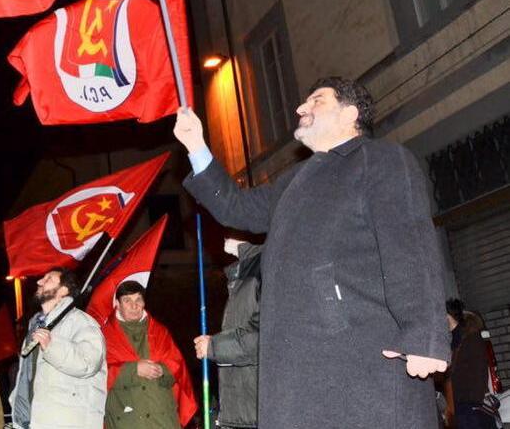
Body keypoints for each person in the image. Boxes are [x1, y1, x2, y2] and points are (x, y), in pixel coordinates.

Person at [174, 76, 450, 428]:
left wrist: (423, 335)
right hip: (296, 370)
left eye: (316, 100)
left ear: (350, 113)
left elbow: (409, 246)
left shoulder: (381, 160)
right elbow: (236, 208)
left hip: (361, 364)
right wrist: (196, 145)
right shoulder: (294, 180)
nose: (300, 108)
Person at [10, 268, 106, 429]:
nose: (39, 282)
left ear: (63, 290)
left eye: (48, 279)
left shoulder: (81, 322)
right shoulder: (35, 326)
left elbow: (89, 363)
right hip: (34, 422)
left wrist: (52, 347)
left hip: (67, 422)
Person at [102, 280, 197, 428]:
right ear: (117, 305)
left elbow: (178, 367)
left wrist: (162, 371)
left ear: (144, 303)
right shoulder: (105, 336)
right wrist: (134, 370)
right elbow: (98, 374)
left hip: (162, 420)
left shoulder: (160, 332)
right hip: (126, 422)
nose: (134, 306)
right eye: (127, 301)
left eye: (138, 299)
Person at [194, 238, 261, 428]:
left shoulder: (267, 271)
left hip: (257, 412)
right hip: (242, 411)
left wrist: (214, 346)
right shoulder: (244, 276)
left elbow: (263, 338)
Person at [444, 299, 492, 429]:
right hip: (461, 403)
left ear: (447, 316)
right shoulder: (454, 338)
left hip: (468, 405)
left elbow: (478, 370)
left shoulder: (468, 337)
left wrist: (473, 401)